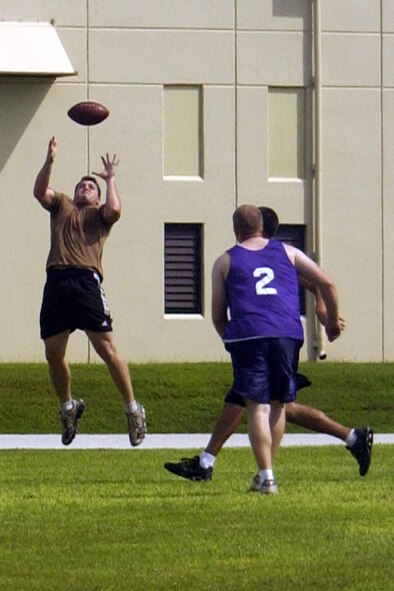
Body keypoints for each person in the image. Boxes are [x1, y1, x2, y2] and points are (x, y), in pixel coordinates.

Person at [164, 208, 373, 482]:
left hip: (254, 335)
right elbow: (318, 282)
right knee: (261, 403)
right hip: (284, 336)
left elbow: (313, 283)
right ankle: (209, 462)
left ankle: (259, 472)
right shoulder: (281, 254)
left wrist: (322, 309)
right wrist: (325, 312)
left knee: (263, 405)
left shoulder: (241, 259)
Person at [33, 136, 146, 447]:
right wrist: (50, 161)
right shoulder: (62, 205)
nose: (85, 187)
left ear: (96, 198)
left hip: (85, 283)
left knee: (107, 351)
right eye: (82, 184)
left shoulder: (100, 215)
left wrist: (109, 180)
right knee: (53, 354)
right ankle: (68, 408)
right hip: (56, 283)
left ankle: (133, 410)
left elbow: (116, 208)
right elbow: (39, 192)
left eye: (90, 186)